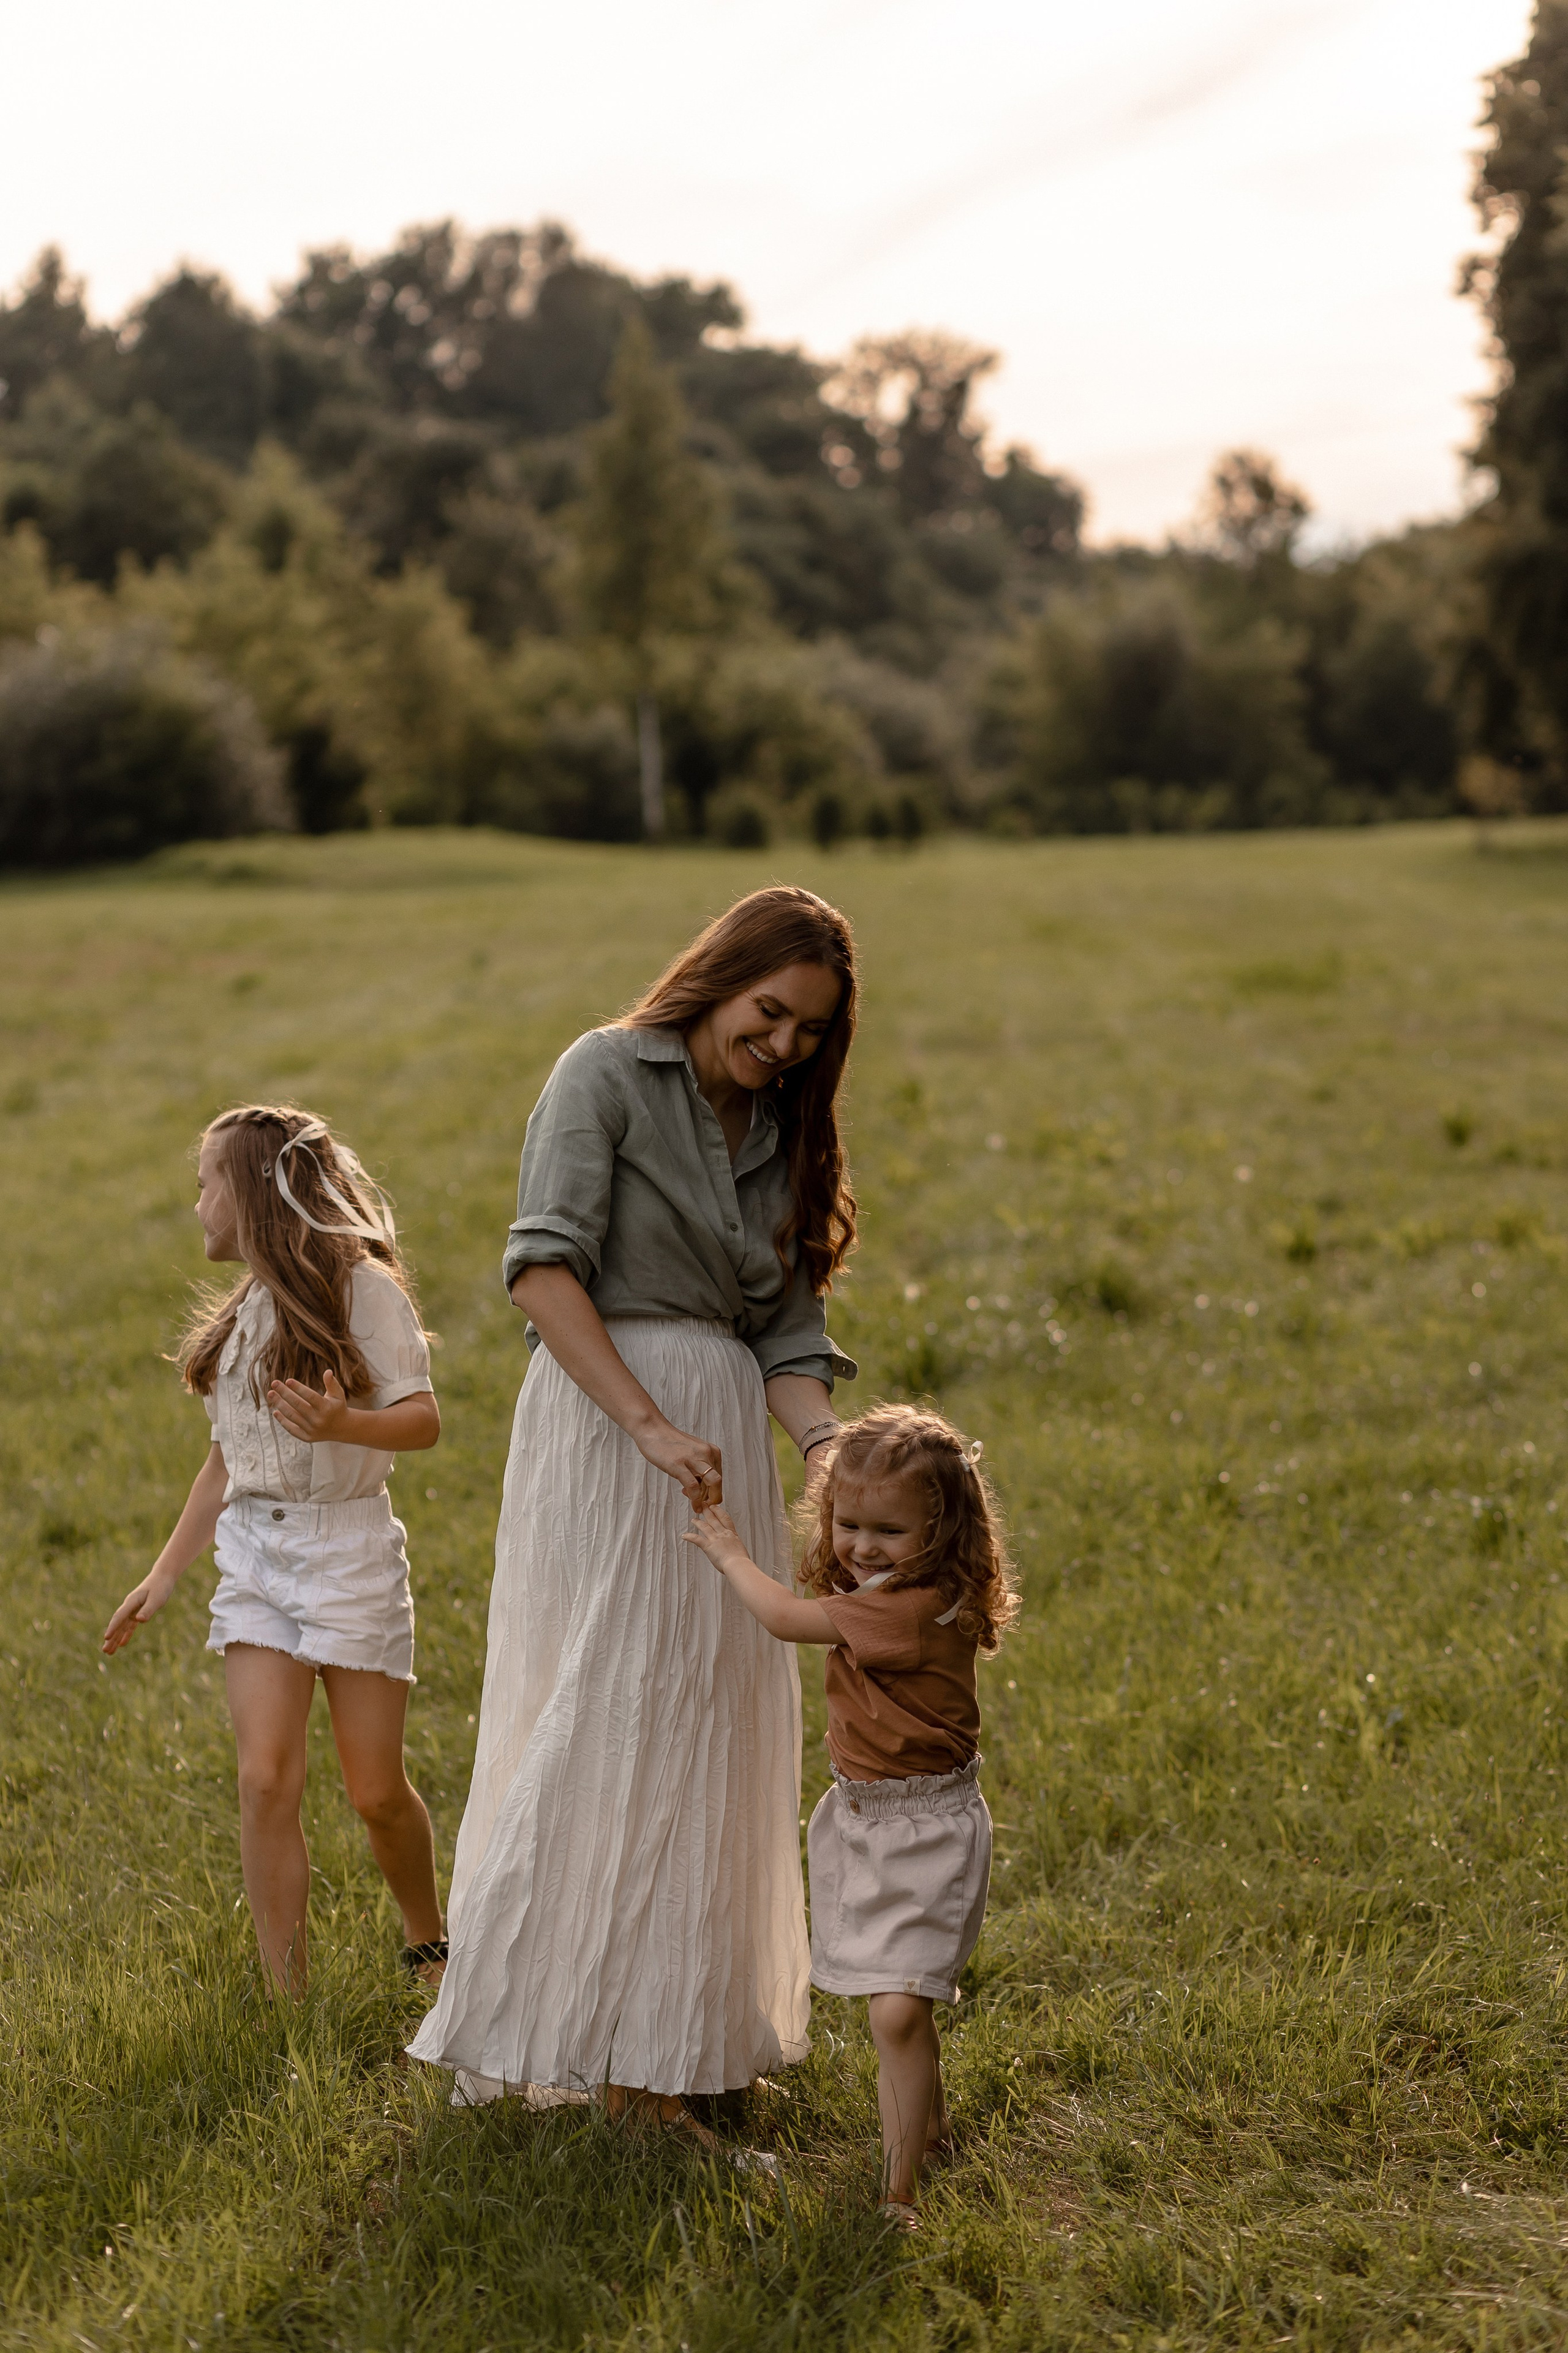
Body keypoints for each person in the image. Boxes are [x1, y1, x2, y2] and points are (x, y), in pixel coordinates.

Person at [409, 886, 859, 2132]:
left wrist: (826, 1448)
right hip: (610, 1427)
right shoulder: (604, 1070)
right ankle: (609, 2068)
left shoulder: (780, 1127)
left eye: (808, 1032)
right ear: (720, 977)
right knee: (611, 1709)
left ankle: (679, 2028)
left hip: (720, 1438)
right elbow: (543, 1268)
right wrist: (650, 1423)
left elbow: (784, 1326)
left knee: (710, 1723)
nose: (781, 1046)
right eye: (769, 1014)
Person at [101, 1105, 447, 1995]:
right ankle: (286, 1994)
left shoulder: (364, 1290)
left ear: (254, 1192)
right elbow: (227, 1461)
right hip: (256, 1561)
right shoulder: (245, 1313)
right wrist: (165, 1571)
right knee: (264, 1778)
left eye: (207, 1183)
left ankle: (428, 1938)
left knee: (374, 1790)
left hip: (349, 1555)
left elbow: (424, 1418)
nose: (197, 1205)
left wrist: (345, 1422)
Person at [684, 1403, 1018, 2226]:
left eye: (888, 1530)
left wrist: (729, 1552)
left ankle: (898, 2192)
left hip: (924, 1832)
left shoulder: (909, 1607)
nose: (862, 1545)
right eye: (848, 1521)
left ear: (942, 1533)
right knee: (899, 2003)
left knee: (897, 2005)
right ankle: (929, 2131)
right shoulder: (882, 1586)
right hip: (867, 1818)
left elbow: (784, 1618)